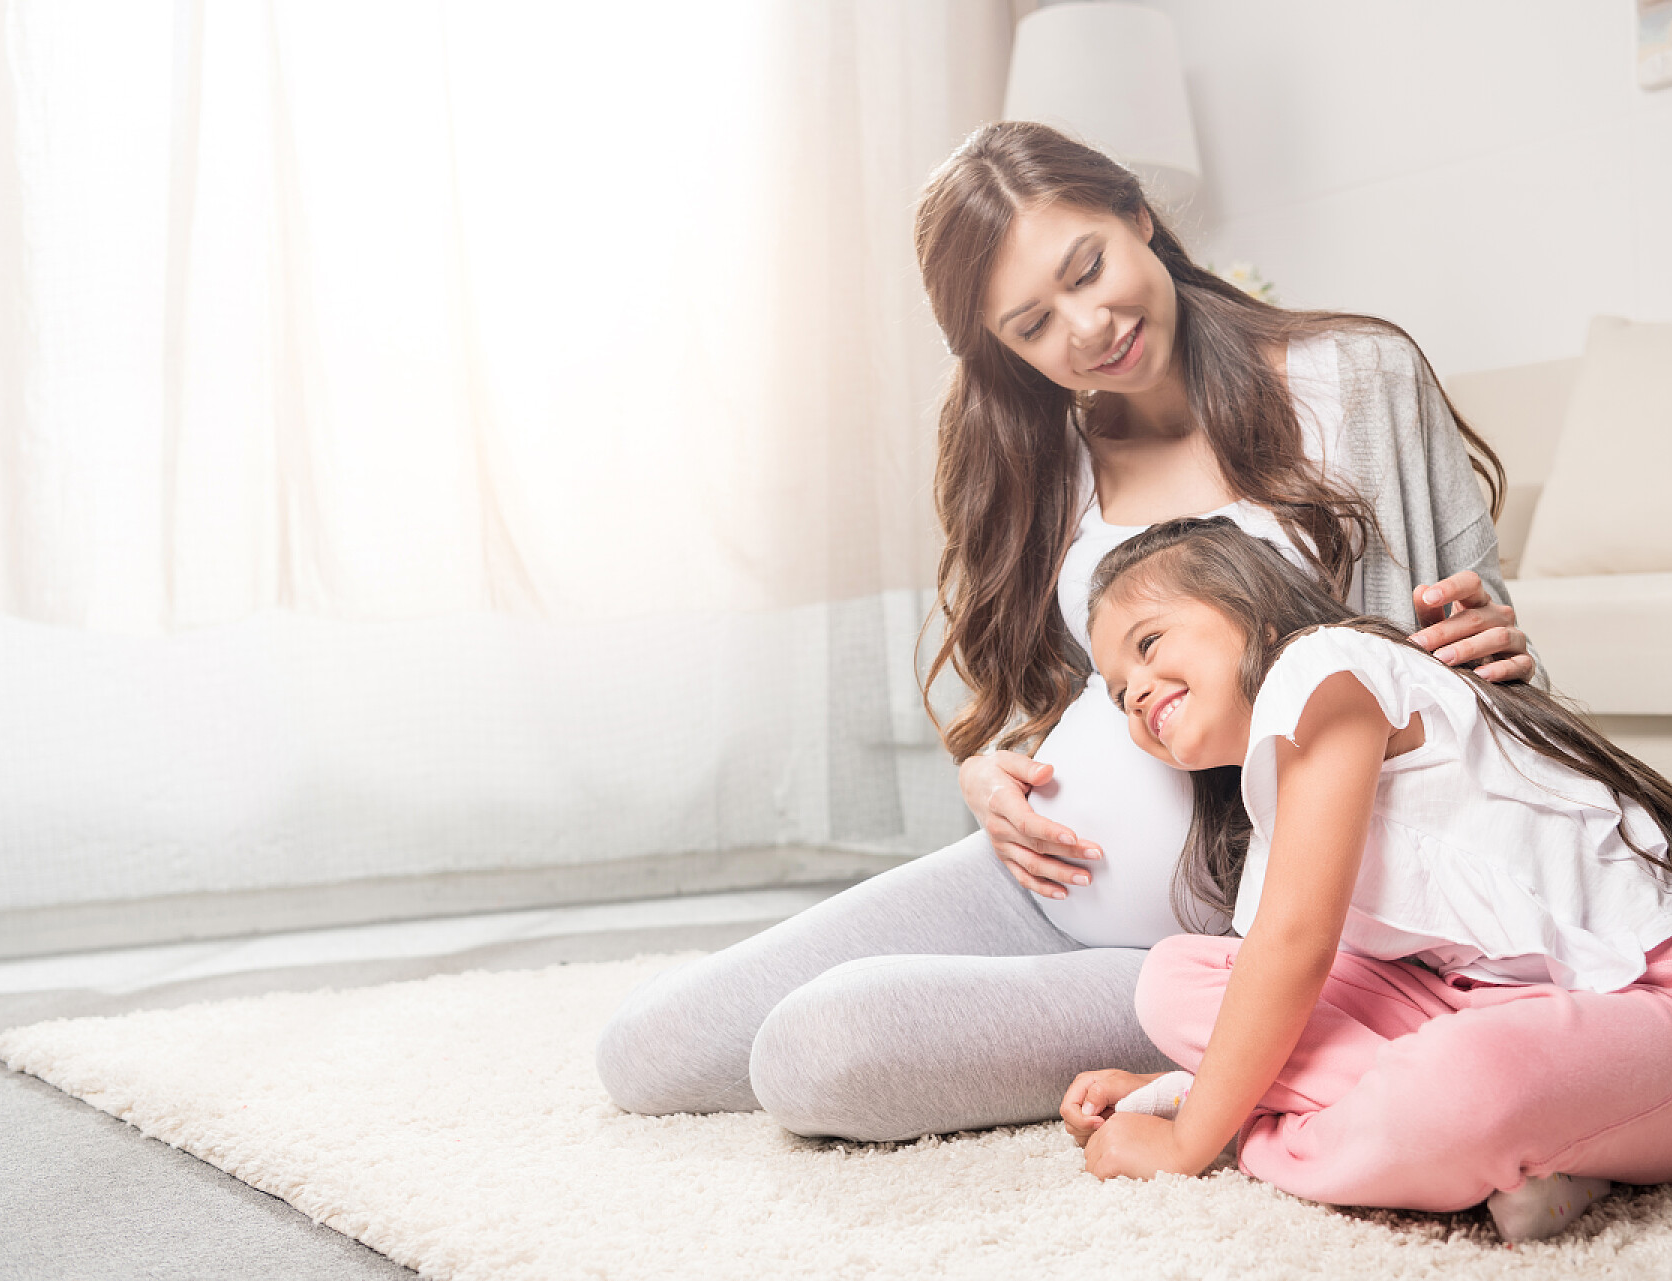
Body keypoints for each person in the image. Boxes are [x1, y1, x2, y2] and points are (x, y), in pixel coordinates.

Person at [596, 121, 1540, 1142]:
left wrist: (1494, 666)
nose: (1087, 329)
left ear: (1137, 213)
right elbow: (1052, 694)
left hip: (1226, 943)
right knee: (643, 1052)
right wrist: (991, 772)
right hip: (1035, 880)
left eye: (1089, 269)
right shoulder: (1045, 449)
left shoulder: (1358, 380)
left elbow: (1478, 685)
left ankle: (1248, 1037)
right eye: (1034, 325)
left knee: (815, 1055)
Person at [1063, 517, 1672, 1241]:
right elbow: (1281, 977)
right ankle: (1506, 1146)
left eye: (1149, 641)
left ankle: (1257, 1123)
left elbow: (1298, 946)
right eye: (1117, 686)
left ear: (1251, 611)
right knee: (1175, 975)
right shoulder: (1272, 811)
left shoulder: (1322, 667)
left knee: (1462, 1081)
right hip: (1482, 1005)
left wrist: (1188, 1142)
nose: (1134, 691)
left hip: (1665, 1016)